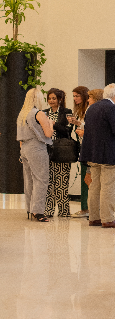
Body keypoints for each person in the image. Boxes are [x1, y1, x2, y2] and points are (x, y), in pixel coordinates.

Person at [79, 84, 115, 228]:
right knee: (109, 187)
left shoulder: (92, 108)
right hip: (110, 155)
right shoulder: (112, 108)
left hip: (94, 154)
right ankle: (108, 219)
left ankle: (94, 218)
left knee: (95, 186)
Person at [17, 87, 54, 222]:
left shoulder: (22, 113)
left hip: (24, 147)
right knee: (41, 179)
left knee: (29, 179)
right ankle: (38, 211)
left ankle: (30, 209)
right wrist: (50, 123)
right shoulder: (38, 113)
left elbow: (19, 136)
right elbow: (48, 134)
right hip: (36, 148)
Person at [43, 88, 74, 218]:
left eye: (54, 98)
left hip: (62, 149)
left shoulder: (67, 112)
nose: (51, 101)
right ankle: (48, 210)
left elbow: (67, 130)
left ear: (60, 99)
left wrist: (54, 124)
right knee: (49, 181)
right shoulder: (44, 113)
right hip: (47, 149)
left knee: (62, 182)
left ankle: (64, 211)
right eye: (49, 98)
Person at [68, 86, 90, 218]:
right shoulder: (78, 110)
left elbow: (92, 129)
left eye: (77, 96)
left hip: (88, 147)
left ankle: (87, 208)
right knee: (83, 178)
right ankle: (84, 207)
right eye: (74, 96)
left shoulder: (89, 109)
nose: (75, 99)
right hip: (82, 147)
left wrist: (78, 124)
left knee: (88, 179)